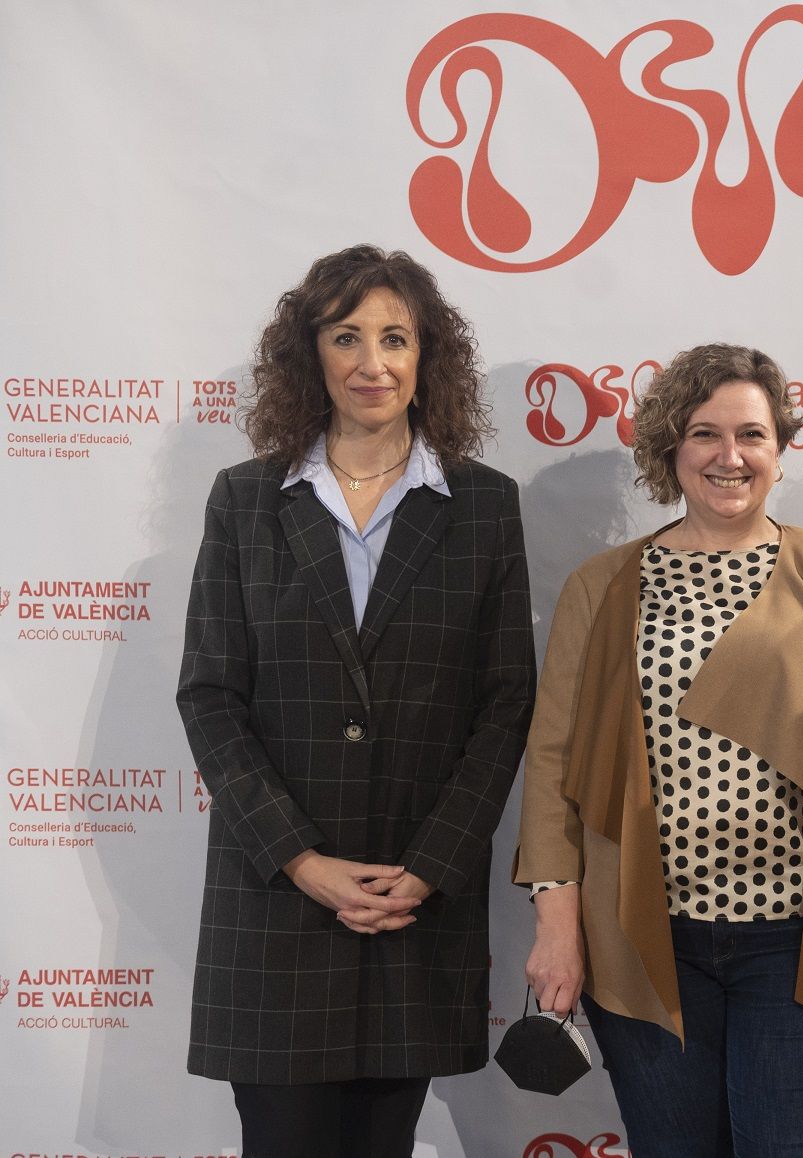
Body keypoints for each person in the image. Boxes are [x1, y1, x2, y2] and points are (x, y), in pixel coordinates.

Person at [516, 342, 803, 1158]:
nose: (729, 456)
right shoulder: (602, 586)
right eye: (705, 434)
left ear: (780, 452)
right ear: (670, 450)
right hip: (641, 939)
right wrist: (558, 928)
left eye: (751, 434)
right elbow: (552, 766)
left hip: (796, 939)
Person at [176, 245, 536, 1157]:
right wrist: (302, 861)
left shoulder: (484, 506)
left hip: (410, 906)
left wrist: (431, 865)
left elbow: (505, 702)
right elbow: (211, 698)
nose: (372, 363)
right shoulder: (245, 500)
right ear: (313, 355)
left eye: (395, 338)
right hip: (279, 910)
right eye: (347, 337)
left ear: (427, 359)